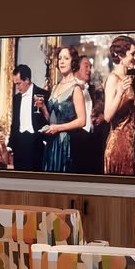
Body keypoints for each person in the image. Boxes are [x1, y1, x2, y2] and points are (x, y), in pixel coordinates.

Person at [40, 46, 102, 174]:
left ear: (73, 62)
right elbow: (52, 119)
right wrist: (43, 108)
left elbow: (82, 121)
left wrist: (58, 128)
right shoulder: (55, 87)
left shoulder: (76, 88)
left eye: (66, 58)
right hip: (52, 143)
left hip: (66, 144)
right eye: (60, 58)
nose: (61, 61)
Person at [101, 35, 135, 175]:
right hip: (118, 146)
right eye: (132, 54)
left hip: (131, 146)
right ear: (120, 55)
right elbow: (107, 117)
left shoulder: (128, 79)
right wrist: (120, 93)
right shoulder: (113, 79)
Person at [7, 62, 48, 172]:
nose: (16, 87)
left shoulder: (43, 94)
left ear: (27, 80)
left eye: (18, 83)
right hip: (20, 145)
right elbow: (14, 124)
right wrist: (10, 146)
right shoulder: (16, 98)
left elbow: (50, 120)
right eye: (15, 84)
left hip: (36, 144)